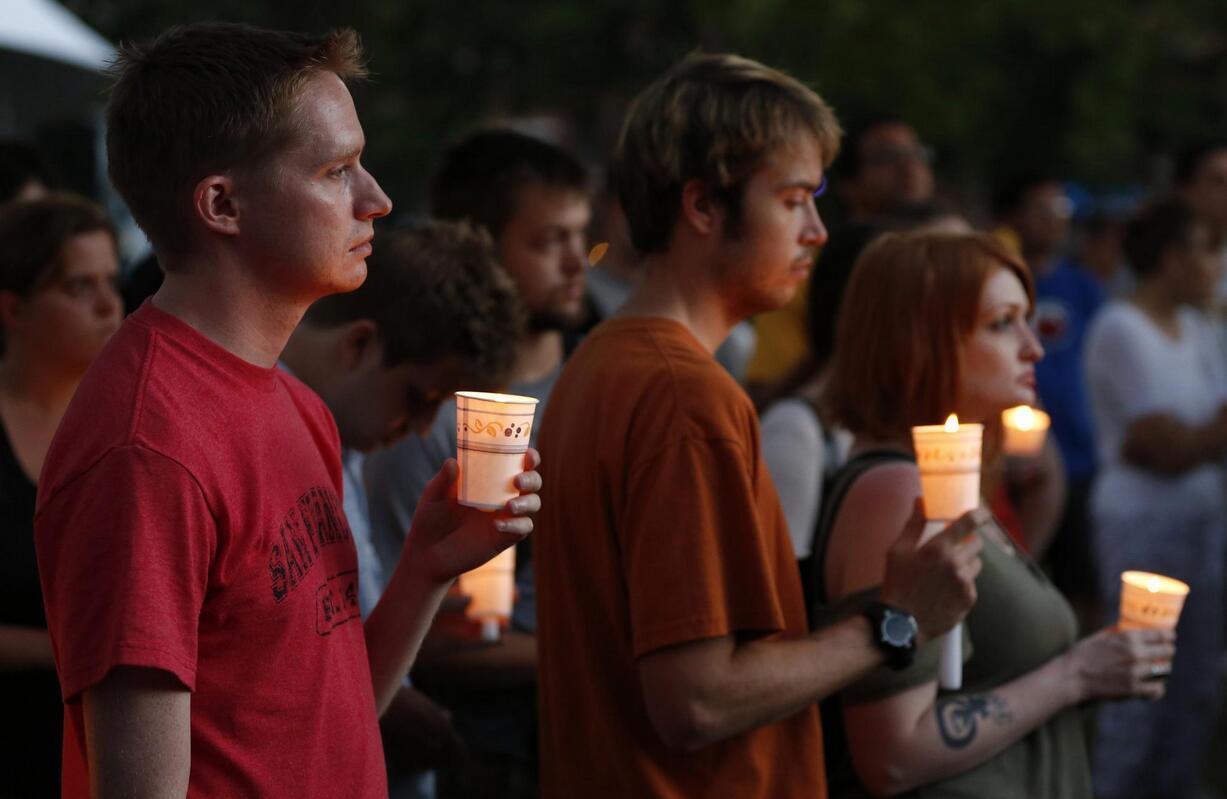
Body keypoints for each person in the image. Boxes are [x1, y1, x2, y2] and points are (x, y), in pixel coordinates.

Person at [34, 23, 539, 798]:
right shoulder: (146, 446)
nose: (377, 199)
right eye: (337, 170)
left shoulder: (297, 404)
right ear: (222, 203)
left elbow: (320, 724)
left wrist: (426, 568)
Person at [534, 52, 988, 798]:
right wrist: (895, 618)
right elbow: (696, 698)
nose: (816, 231)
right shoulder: (683, 394)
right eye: (791, 199)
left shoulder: (601, 362)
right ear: (703, 206)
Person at [815, 230, 1173, 798]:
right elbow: (892, 755)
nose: (1033, 347)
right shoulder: (899, 493)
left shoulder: (949, 482)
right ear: (921, 342)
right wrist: (1078, 673)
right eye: (1003, 322)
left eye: (1026, 320)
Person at [363, 129, 589, 798]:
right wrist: (609, 656)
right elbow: (444, 635)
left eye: (581, 235)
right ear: (479, 244)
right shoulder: (431, 413)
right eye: (549, 242)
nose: (579, 262)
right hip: (482, 740)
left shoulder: (598, 382)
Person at [281, 220, 524, 797]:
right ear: (360, 343)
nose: (419, 429)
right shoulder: (276, 447)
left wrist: (429, 572)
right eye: (418, 399)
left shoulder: (346, 450)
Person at [1084, 199, 1227, 799]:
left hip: (1202, 526)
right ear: (1171, 260)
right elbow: (1162, 446)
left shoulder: (1197, 329)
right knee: (1138, 691)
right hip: (1143, 529)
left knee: (1195, 687)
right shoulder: (1121, 329)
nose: (1214, 267)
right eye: (1204, 250)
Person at [0, 194, 121, 797]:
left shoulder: (133, 423)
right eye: (78, 287)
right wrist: (73, 650)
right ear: (14, 308)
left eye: (111, 281)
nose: (109, 305)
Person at [994, 175, 1103, 620]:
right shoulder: (999, 284)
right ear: (1015, 216)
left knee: (1081, 580)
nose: (1055, 222)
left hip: (1077, 454)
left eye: (1062, 211)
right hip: (1007, 457)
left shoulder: (1084, 288)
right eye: (1042, 209)